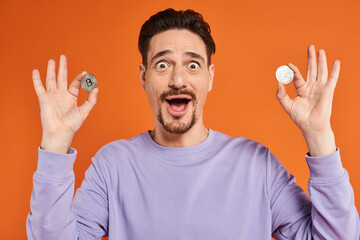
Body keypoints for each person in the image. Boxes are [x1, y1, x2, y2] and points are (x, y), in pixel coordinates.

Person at [27, 8, 359, 239]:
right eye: (162, 65)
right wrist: (55, 143)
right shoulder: (112, 165)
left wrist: (319, 136)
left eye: (193, 65)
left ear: (210, 78)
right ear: (143, 77)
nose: (177, 80)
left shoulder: (256, 165)